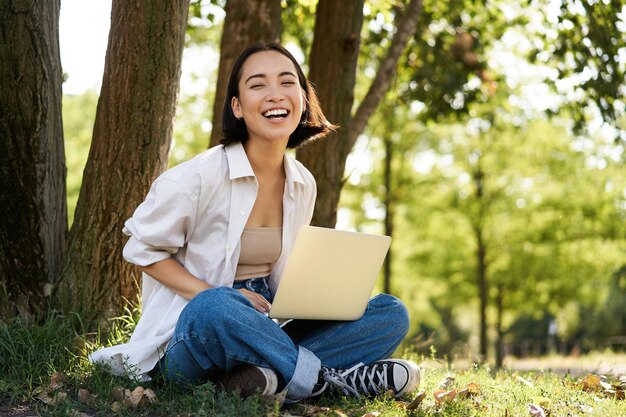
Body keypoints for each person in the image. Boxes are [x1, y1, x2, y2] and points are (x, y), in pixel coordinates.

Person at [90, 43, 420, 403]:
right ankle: (326, 381)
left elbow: (281, 278)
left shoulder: (302, 182)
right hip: (194, 333)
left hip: (266, 326)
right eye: (258, 85)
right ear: (237, 106)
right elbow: (140, 249)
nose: (274, 94)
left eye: (286, 82)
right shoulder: (195, 179)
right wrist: (218, 293)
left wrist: (323, 296)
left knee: (390, 313)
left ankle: (256, 380)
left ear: (303, 99)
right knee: (217, 305)